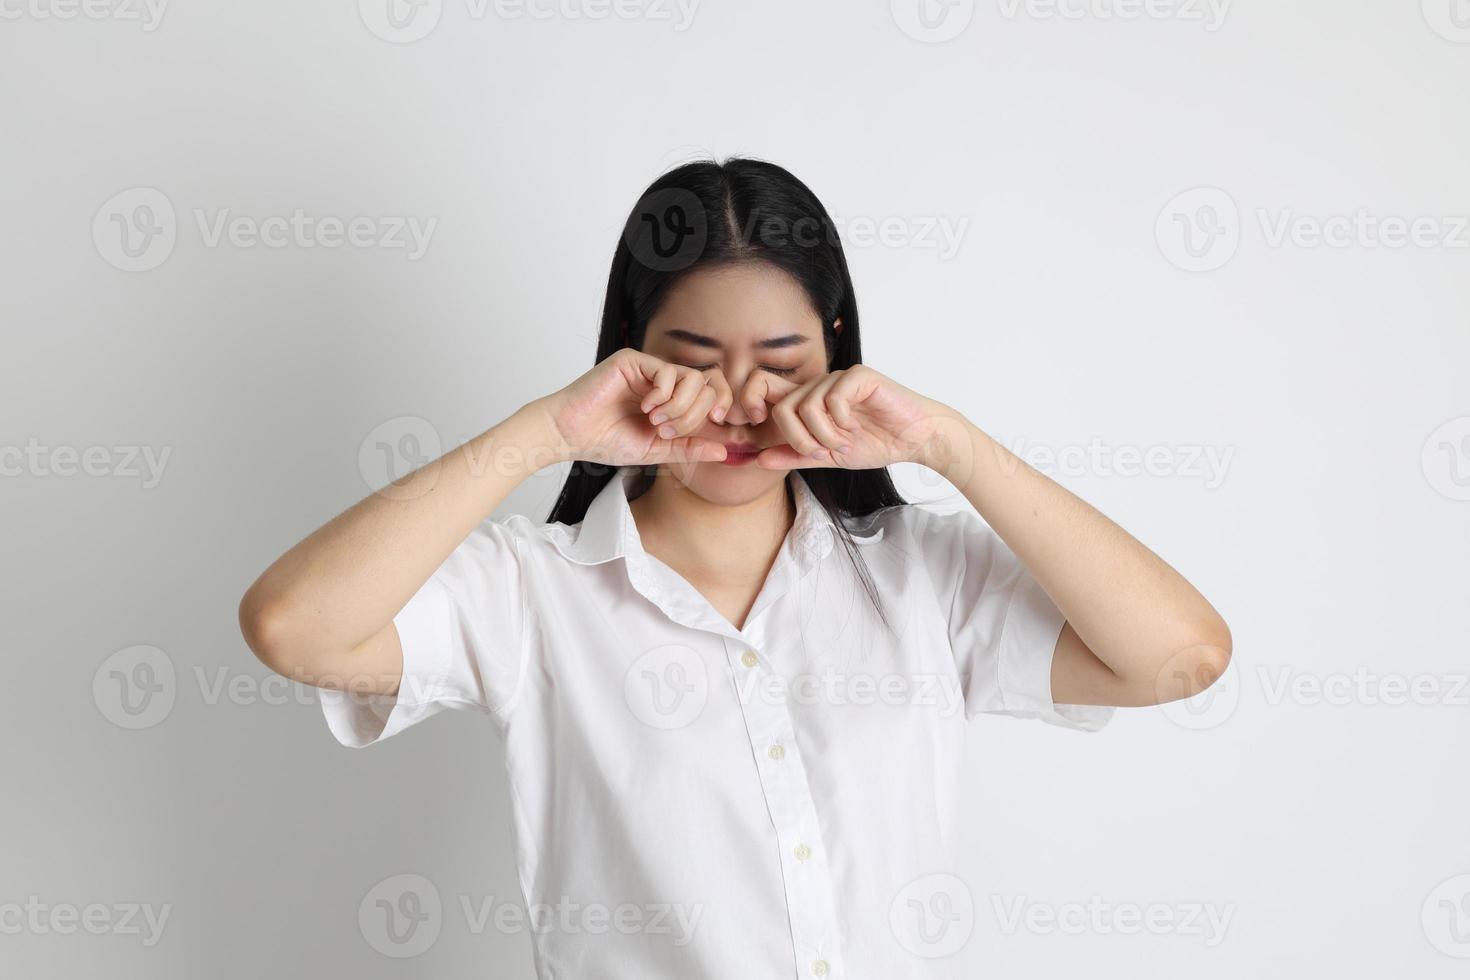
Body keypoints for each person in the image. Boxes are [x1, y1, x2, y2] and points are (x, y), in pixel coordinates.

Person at [239, 156, 1231, 979]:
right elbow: (294, 627)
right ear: (629, 354)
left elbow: (1179, 655)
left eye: (783, 358)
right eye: (696, 357)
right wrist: (546, 432)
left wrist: (947, 443)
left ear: (837, 351)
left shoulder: (926, 573)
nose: (741, 401)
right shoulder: (533, 591)